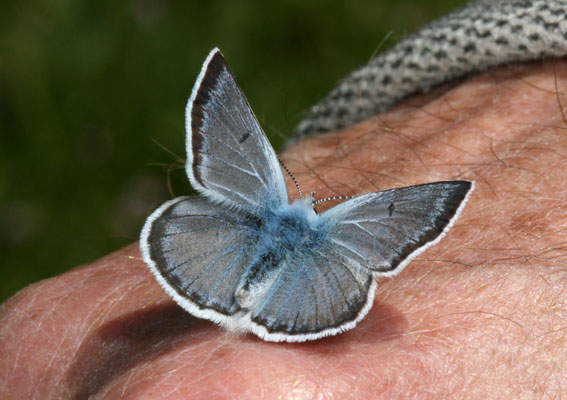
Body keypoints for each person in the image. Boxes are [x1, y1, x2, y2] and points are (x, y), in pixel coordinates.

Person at [1, 58, 565, 398]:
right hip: (304, 273)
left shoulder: (271, 184)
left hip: (225, 246)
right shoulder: (349, 220)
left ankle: (229, 297)